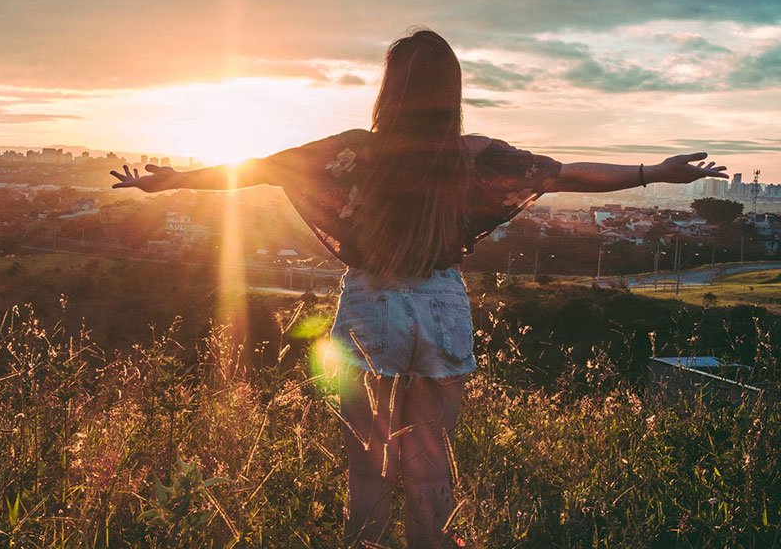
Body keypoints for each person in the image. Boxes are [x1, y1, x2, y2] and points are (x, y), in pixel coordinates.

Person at [110, 28, 728, 547]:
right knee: (430, 460)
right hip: (441, 305)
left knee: (368, 462)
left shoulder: (352, 152)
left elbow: (253, 169)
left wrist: (168, 182)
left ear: (389, 89)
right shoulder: (476, 156)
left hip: (371, 304)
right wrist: (653, 171)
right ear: (451, 91)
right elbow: (566, 175)